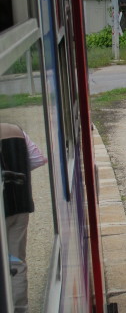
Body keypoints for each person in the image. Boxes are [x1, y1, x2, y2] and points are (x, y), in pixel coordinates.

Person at [1, 122, 47, 313]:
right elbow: (37, 159)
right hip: (19, 205)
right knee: (16, 261)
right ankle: (19, 307)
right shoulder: (16, 131)